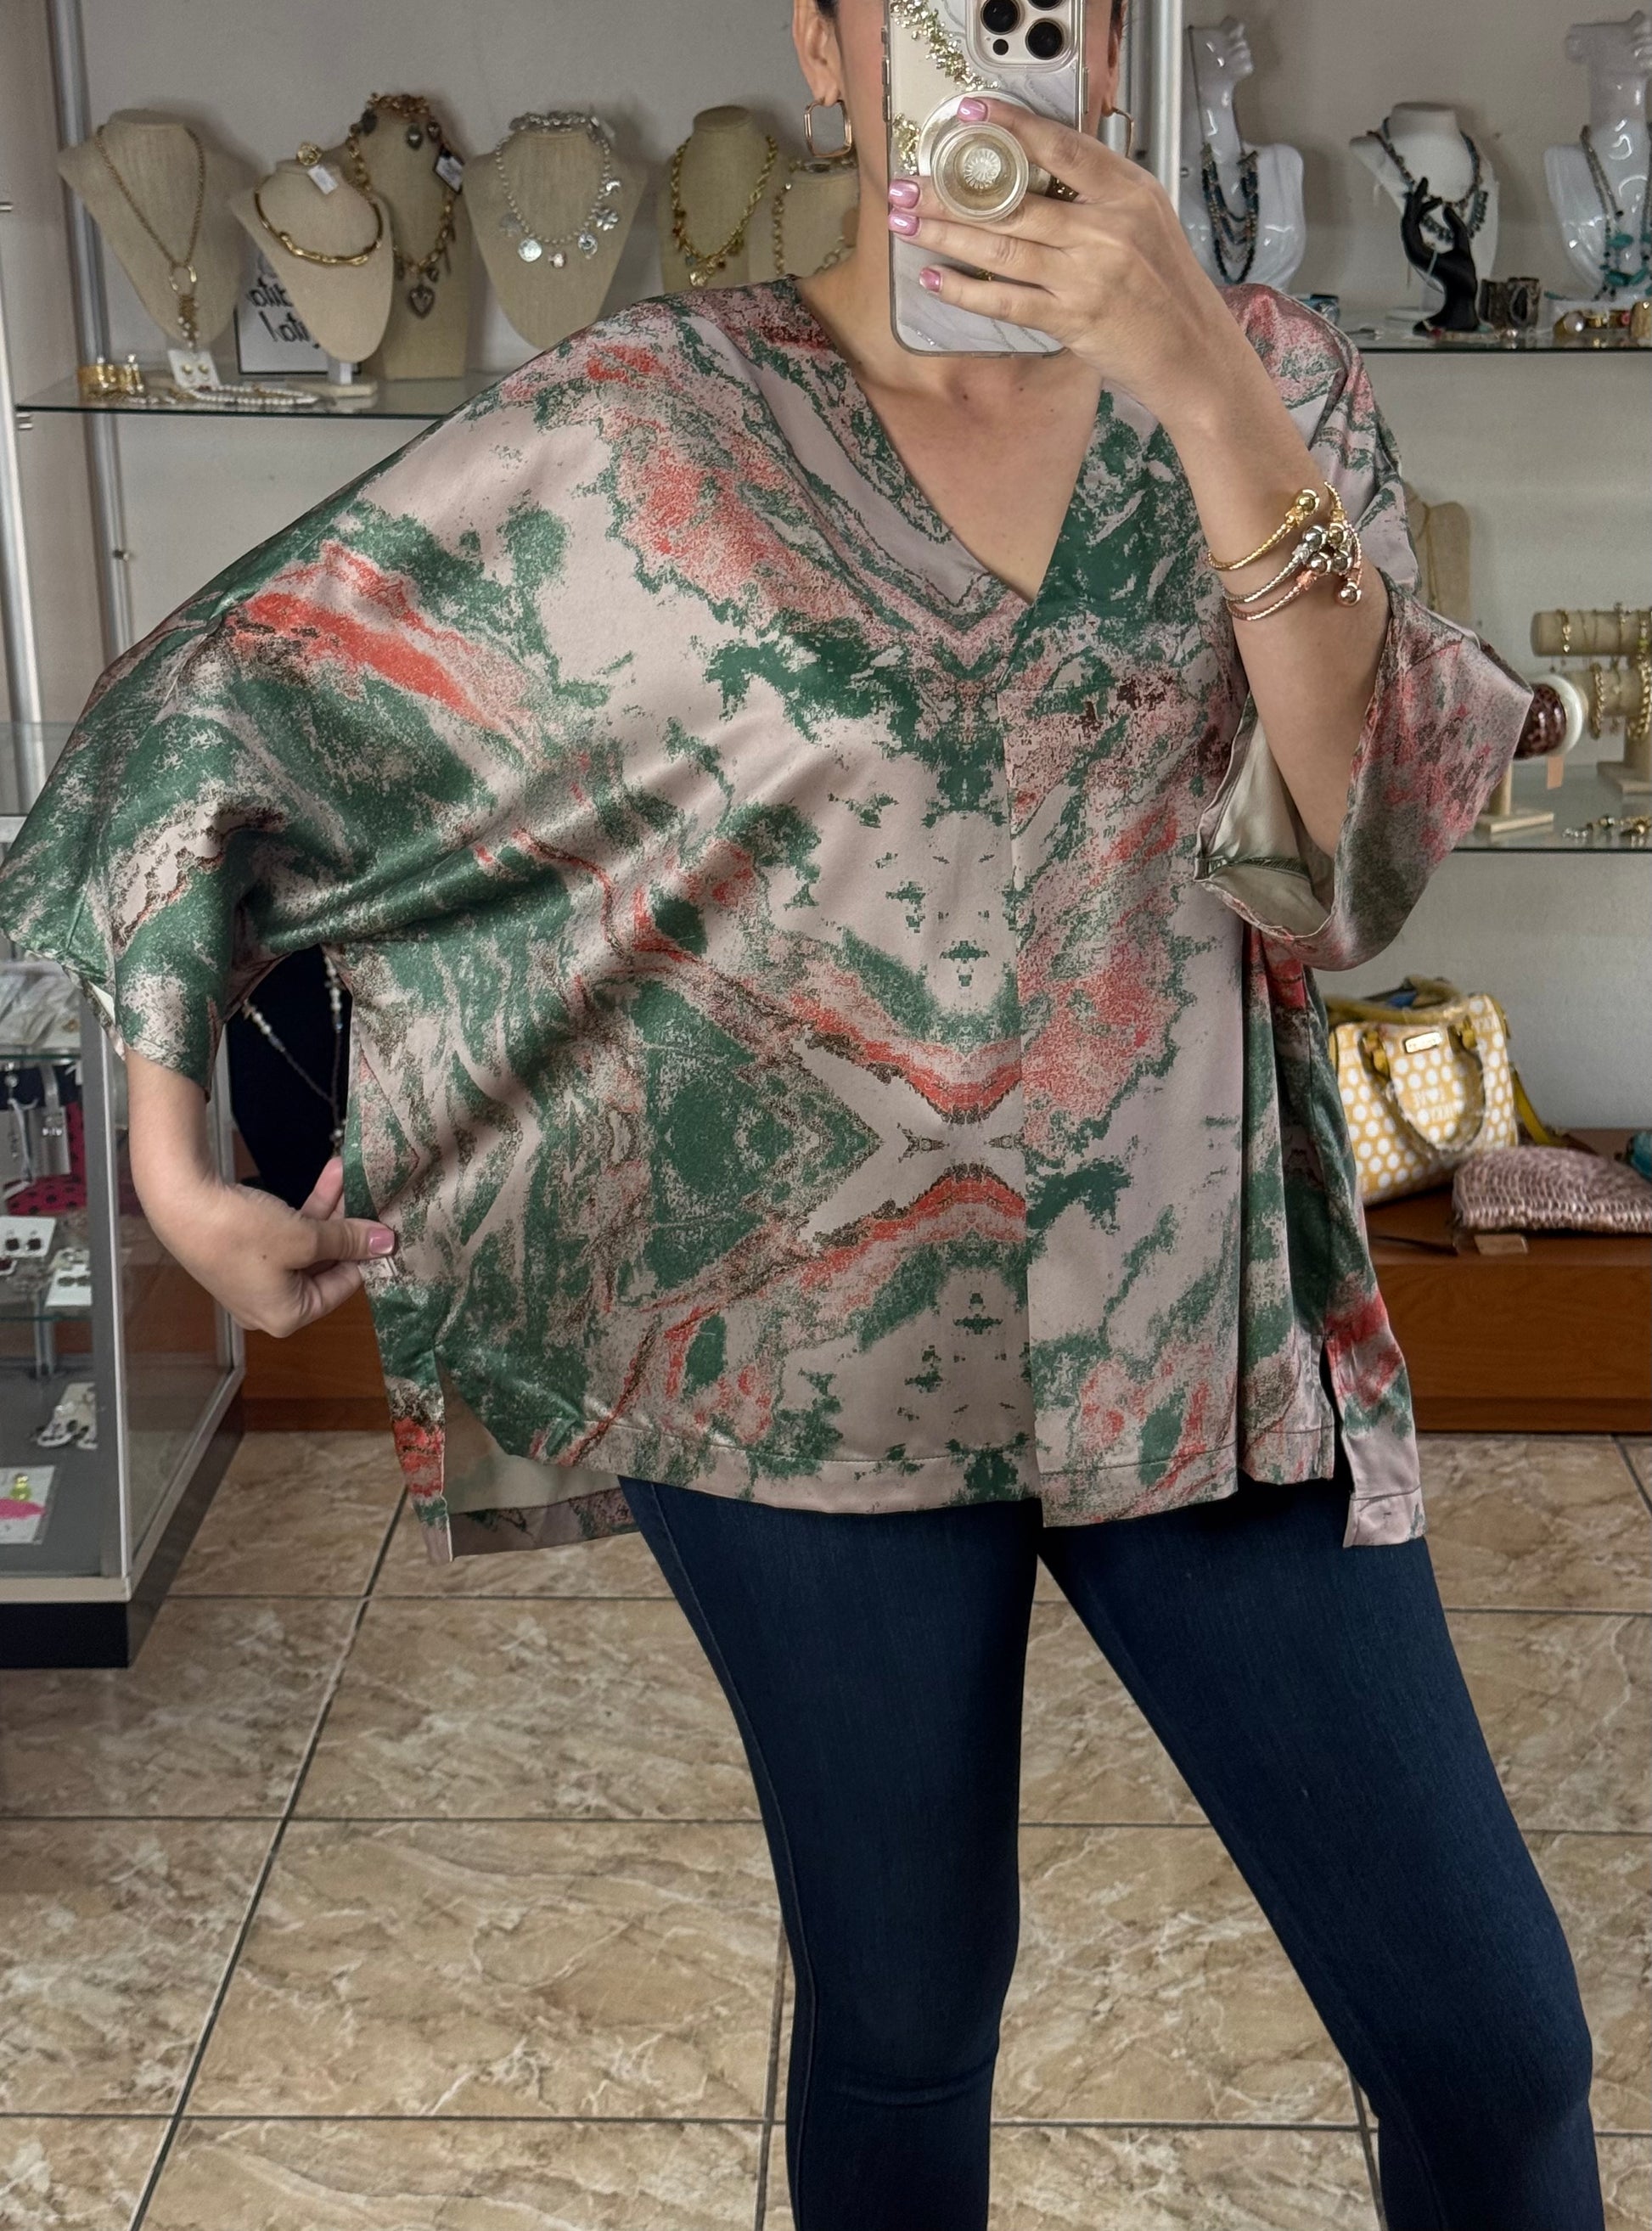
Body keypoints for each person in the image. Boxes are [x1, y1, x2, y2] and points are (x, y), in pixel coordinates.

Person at [0, 3, 1602, 2224]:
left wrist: (1211, 393)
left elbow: (1338, 877)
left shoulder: (1274, 378)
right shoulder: (645, 418)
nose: (1011, 31)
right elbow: (222, 707)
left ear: (1114, 45)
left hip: (1200, 1325)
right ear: (829, 45)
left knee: (1493, 2045)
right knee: (904, 2012)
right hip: (791, 1353)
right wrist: (175, 1157)